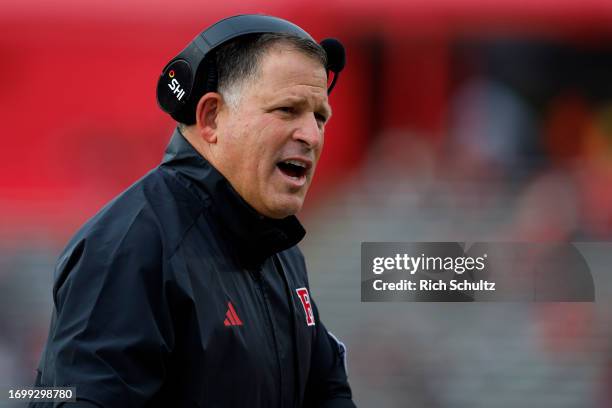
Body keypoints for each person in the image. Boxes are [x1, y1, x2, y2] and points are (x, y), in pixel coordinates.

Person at [31, 14, 355, 407]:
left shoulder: (282, 250)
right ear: (211, 117)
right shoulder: (132, 248)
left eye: (320, 116)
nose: (312, 135)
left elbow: (325, 392)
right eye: (287, 110)